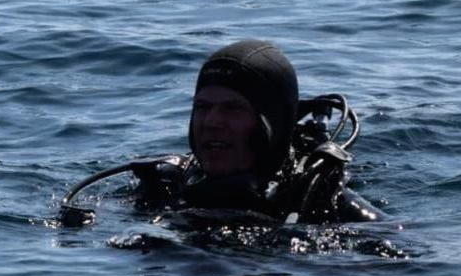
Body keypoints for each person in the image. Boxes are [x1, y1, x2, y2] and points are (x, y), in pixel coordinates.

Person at [60, 39, 381, 225]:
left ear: (270, 123)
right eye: (202, 107)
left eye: (232, 109)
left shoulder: (324, 203)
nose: (211, 122)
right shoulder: (169, 186)